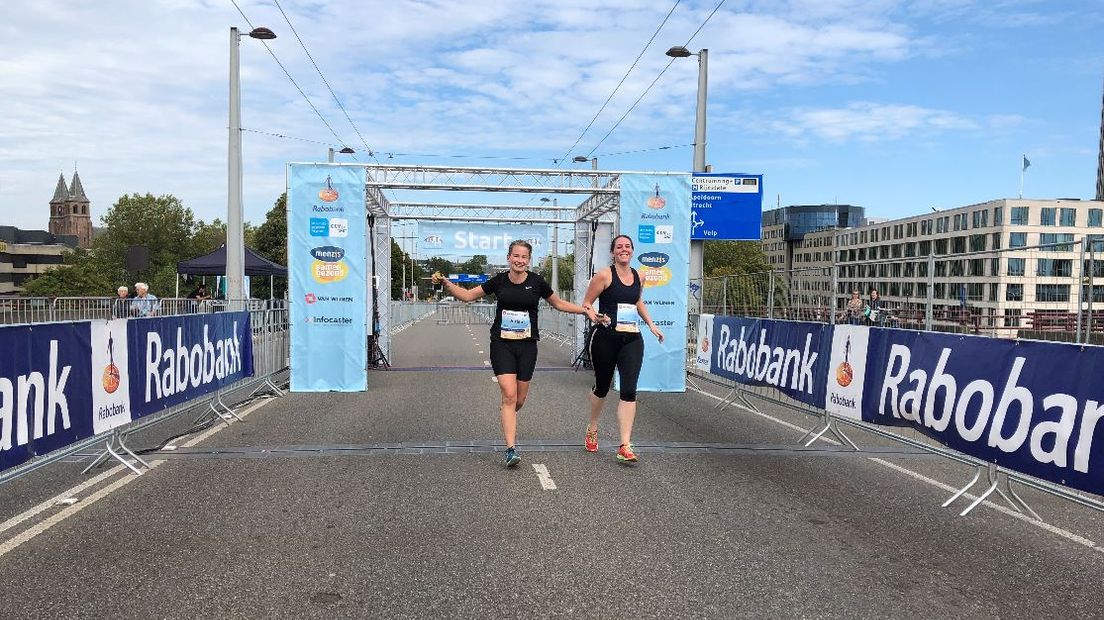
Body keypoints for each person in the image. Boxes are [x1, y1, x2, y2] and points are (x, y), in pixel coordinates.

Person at [432, 240, 598, 468]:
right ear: (508, 257)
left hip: (527, 346)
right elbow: (469, 296)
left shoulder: (537, 282)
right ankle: (510, 449)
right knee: (509, 395)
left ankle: (507, 412)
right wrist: (447, 284)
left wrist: (585, 311)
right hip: (502, 344)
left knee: (519, 399)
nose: (520, 260)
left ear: (528, 260)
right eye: (516, 256)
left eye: (524, 257)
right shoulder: (499, 281)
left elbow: (558, 304)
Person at [580, 234, 665, 463]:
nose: (623, 250)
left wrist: (651, 324)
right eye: (619, 247)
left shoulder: (640, 275)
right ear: (613, 252)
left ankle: (625, 445)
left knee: (629, 390)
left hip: (632, 340)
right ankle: (593, 426)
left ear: (632, 250)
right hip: (605, 338)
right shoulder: (604, 275)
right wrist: (594, 316)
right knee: (602, 388)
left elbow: (637, 301)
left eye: (627, 247)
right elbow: (586, 303)